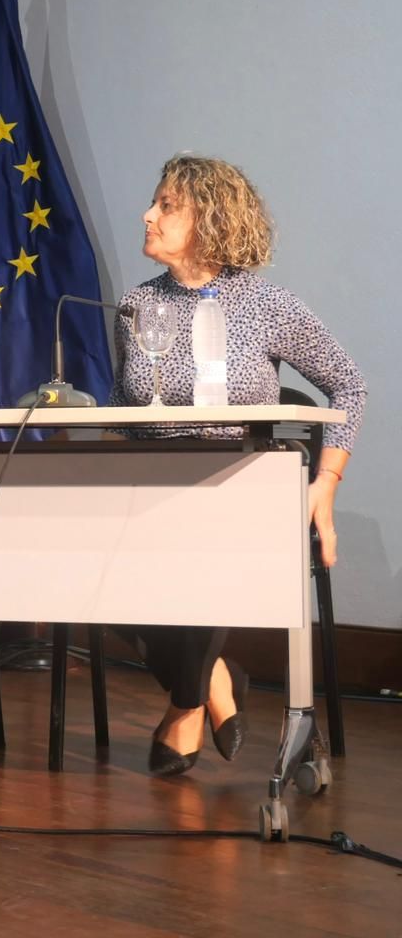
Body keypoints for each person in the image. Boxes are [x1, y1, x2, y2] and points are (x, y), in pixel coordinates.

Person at [111, 154, 365, 776]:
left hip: (237, 482)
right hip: (150, 481)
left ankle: (185, 706)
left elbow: (350, 388)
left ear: (212, 219)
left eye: (167, 205)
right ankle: (217, 679)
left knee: (196, 561)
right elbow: (130, 410)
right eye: (155, 201)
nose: (148, 214)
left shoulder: (268, 305)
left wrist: (324, 487)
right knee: (93, 575)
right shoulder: (136, 303)